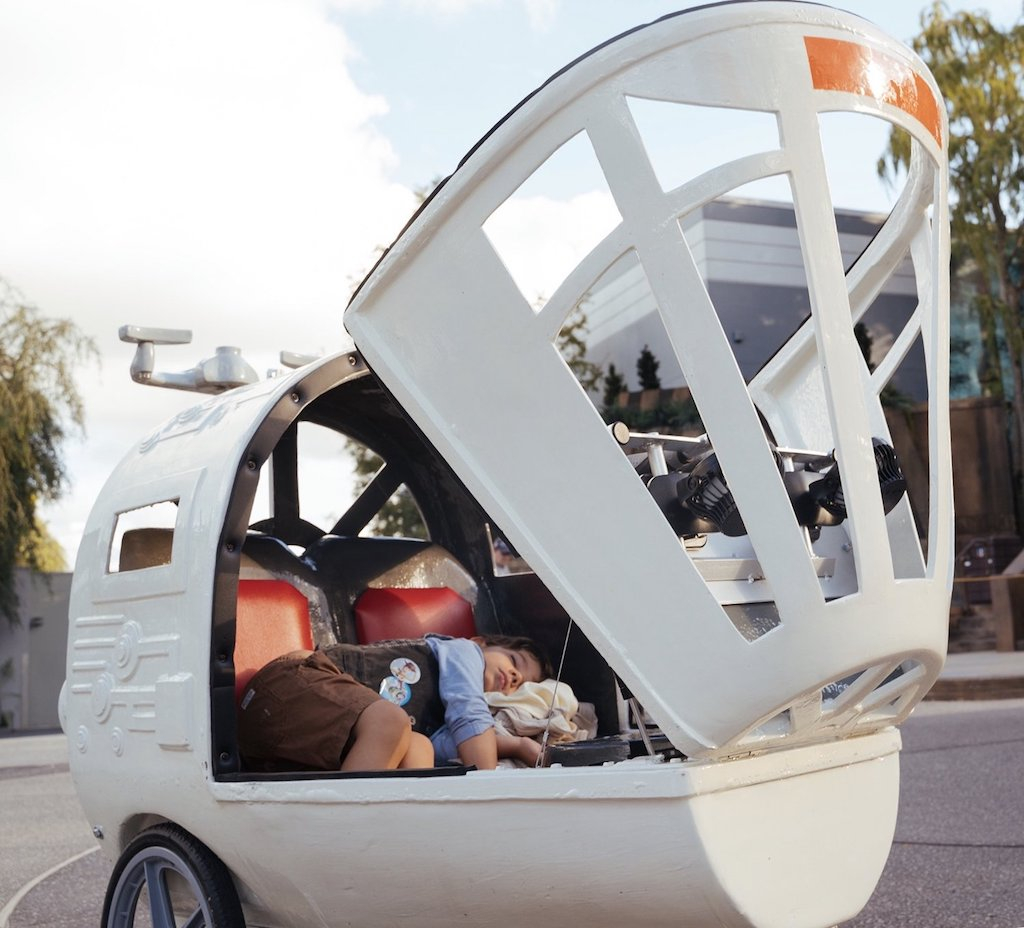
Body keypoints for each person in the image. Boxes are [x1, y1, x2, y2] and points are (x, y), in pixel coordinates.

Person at [237, 634, 552, 773]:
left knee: (418, 748)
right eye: (514, 661)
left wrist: (517, 745)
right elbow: (469, 715)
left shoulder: (443, 722)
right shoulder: (463, 651)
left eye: (521, 684)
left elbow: (457, 746)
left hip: (294, 748)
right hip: (285, 690)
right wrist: (488, 790)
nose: (514, 676)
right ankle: (349, 833)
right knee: (392, 721)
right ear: (480, 642)